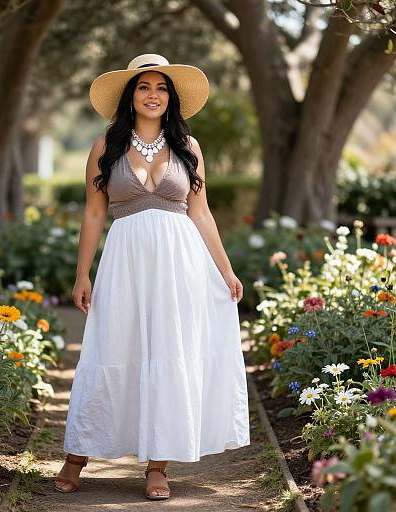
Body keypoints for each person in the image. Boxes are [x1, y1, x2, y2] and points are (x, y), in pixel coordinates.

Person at [55, 54, 250, 501]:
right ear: (130, 95)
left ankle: (157, 464)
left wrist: (226, 268)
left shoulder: (188, 146)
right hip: (125, 259)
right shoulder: (106, 145)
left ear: (171, 97)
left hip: (181, 264)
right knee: (111, 345)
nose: (153, 95)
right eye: (144, 87)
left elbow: (201, 213)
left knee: (168, 349)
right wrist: (82, 274)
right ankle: (77, 455)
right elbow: (93, 212)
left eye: (162, 88)